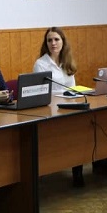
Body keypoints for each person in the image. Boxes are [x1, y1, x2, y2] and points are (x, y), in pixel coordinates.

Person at [33, 27, 85, 186]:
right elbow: (40, 92)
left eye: (56, 39)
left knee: (79, 133)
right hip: (51, 109)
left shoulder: (67, 61)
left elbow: (72, 87)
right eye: (49, 40)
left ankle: (77, 171)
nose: (53, 43)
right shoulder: (41, 64)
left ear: (63, 42)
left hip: (69, 106)